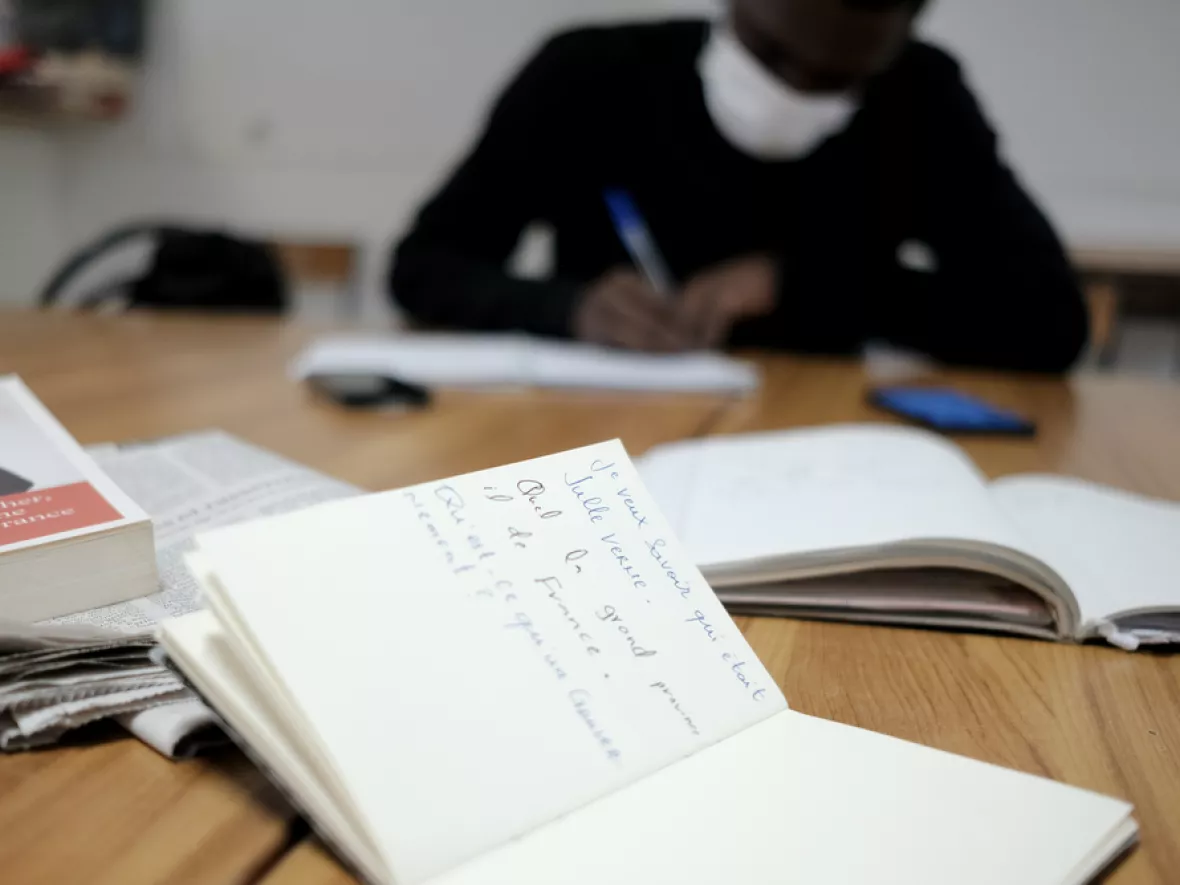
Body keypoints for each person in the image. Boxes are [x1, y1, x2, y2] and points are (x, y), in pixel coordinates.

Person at [390, 0, 1088, 372]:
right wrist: (568, 307)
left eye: (834, 81)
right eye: (771, 54)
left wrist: (802, 280)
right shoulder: (590, 74)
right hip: (598, 432)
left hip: (823, 443)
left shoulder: (921, 99)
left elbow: (1050, 323)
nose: (792, 89)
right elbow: (422, 267)